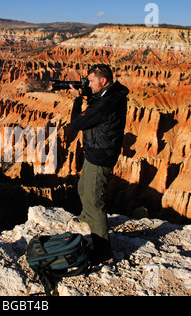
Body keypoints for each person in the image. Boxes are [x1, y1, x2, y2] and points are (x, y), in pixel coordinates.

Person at [69, 64, 129, 266]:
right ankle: (87, 218)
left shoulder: (106, 102)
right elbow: (97, 105)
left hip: (100, 155)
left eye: (91, 81)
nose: (89, 84)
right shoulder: (109, 94)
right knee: (83, 187)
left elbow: (77, 123)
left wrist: (78, 99)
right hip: (96, 151)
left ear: (103, 81)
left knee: (94, 201)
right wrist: (88, 93)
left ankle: (103, 250)